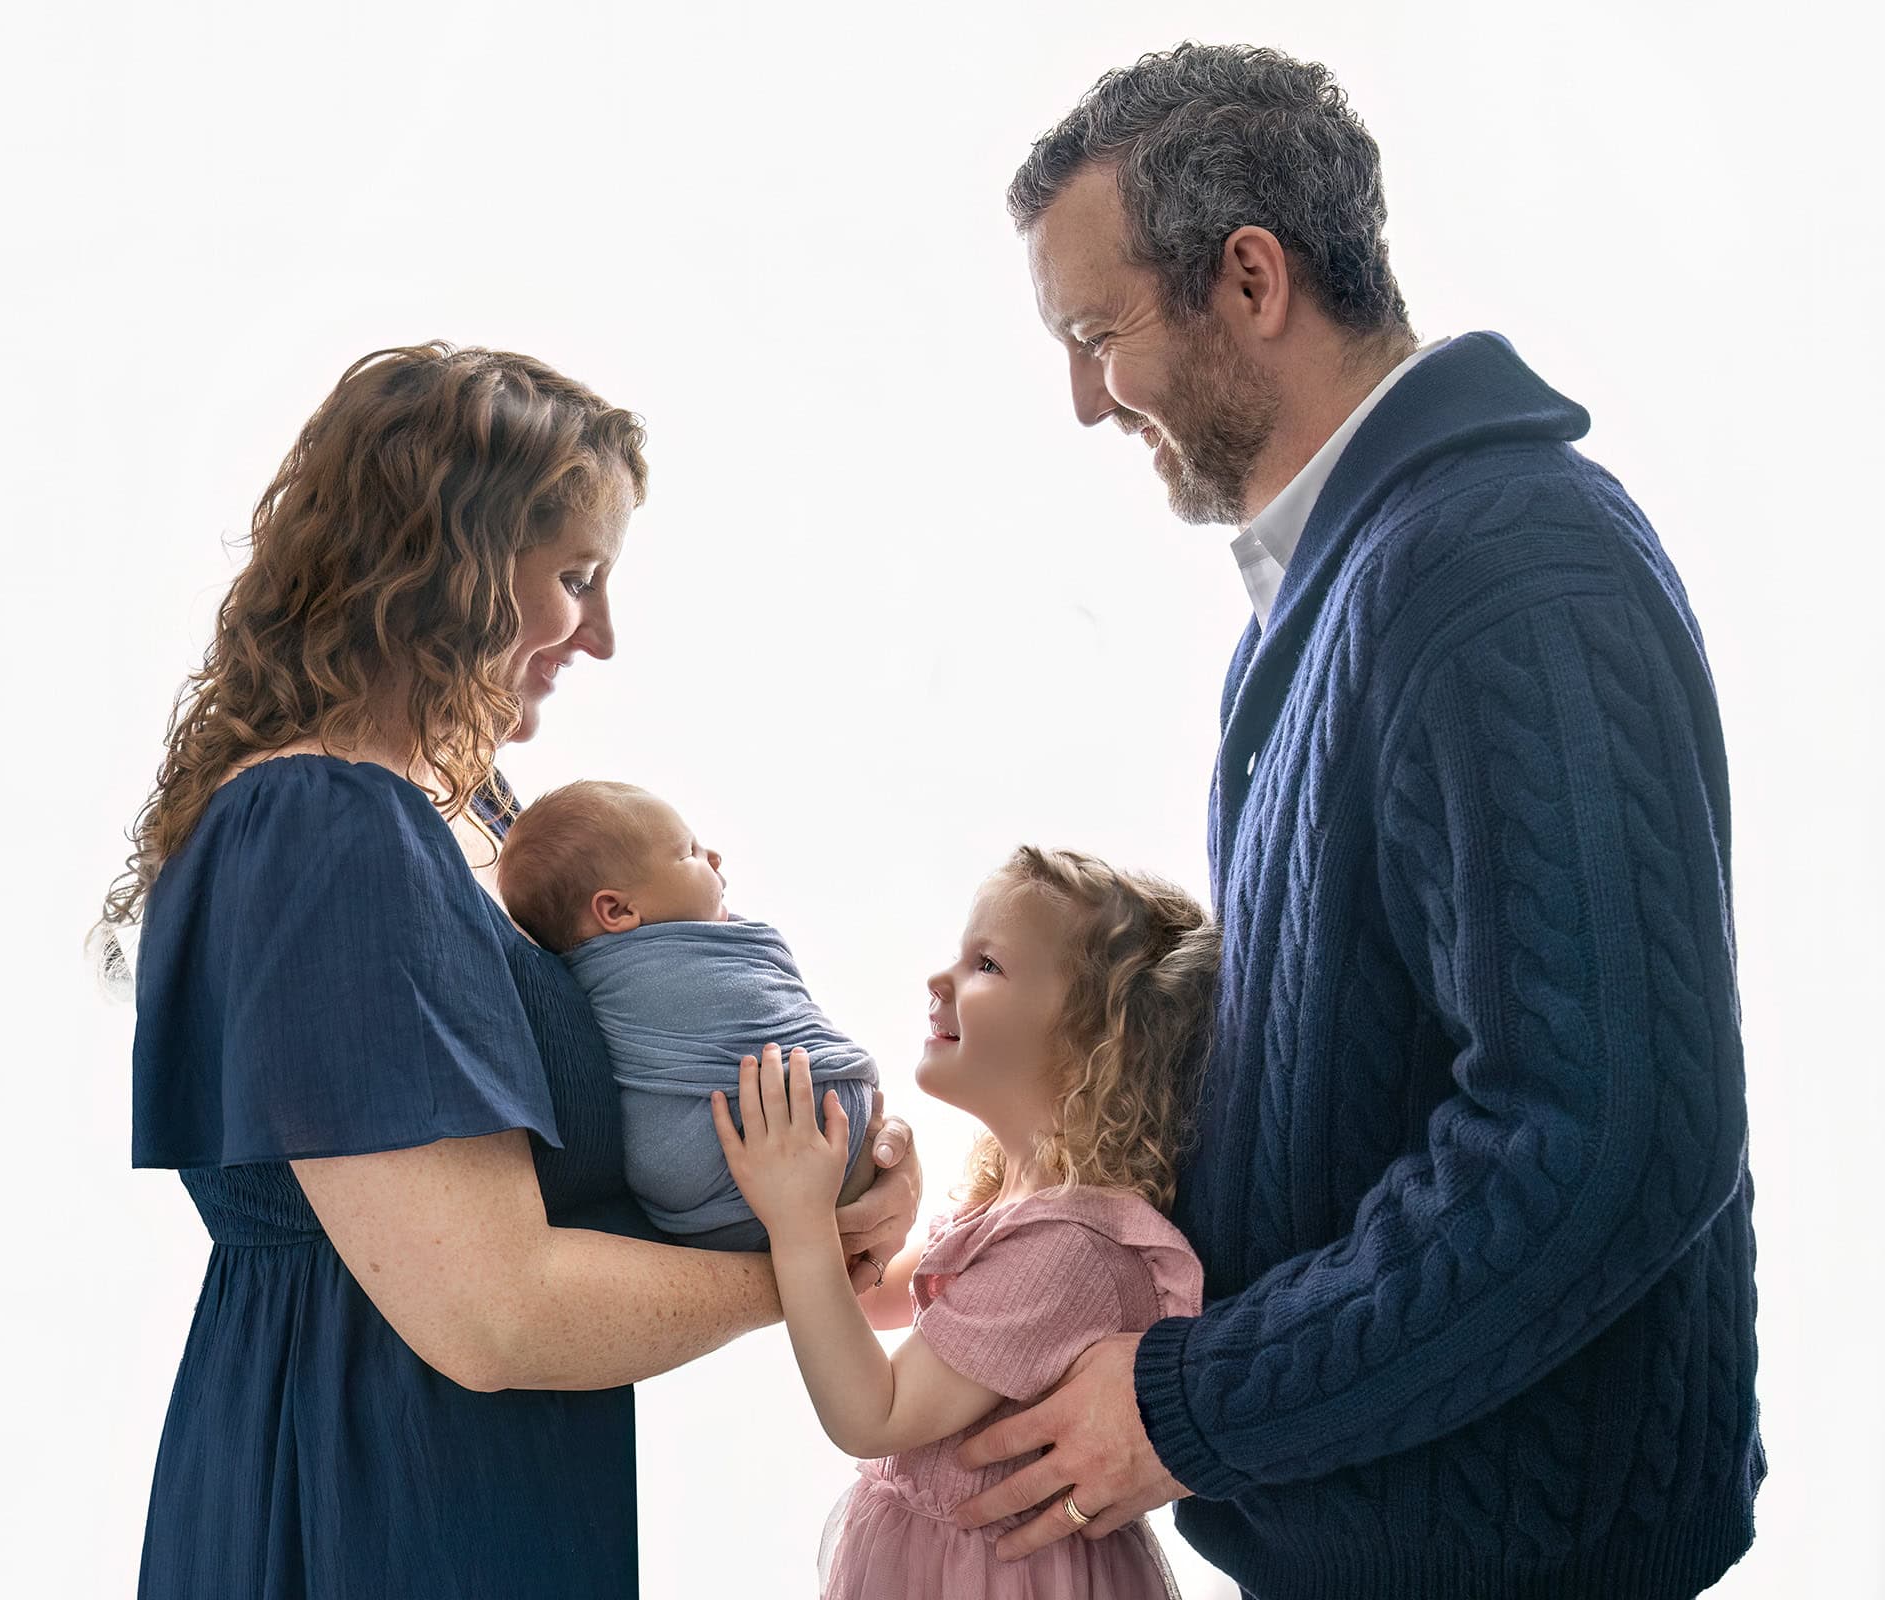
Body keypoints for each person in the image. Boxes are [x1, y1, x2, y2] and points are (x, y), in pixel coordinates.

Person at [952, 43, 1764, 1600]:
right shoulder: (1331, 600)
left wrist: (1197, 1407)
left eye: (1095, 332)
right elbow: (1340, 1082)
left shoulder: (1505, 571)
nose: (1080, 401)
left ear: (1250, 278)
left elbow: (1599, 1146)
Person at [95, 342, 921, 1599]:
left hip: (481, 1482)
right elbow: (496, 1312)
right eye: (574, 578)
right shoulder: (326, 832)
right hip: (370, 1499)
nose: (598, 633)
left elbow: (601, 1158)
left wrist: (845, 1161)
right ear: (446, 564)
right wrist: (806, 1265)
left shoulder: (473, 816)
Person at [715, 847, 1220, 1599]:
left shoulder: (1067, 1252)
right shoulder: (1017, 1203)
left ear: (1095, 1042)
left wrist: (798, 1222)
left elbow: (874, 1413)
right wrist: (842, 1191)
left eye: (986, 964)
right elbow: (871, 1295)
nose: (940, 980)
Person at [499, 778, 881, 1247]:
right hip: (745, 1173)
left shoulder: (612, 964)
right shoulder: (638, 973)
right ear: (617, 910)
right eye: (689, 852)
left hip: (711, 1192)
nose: (714, 857)